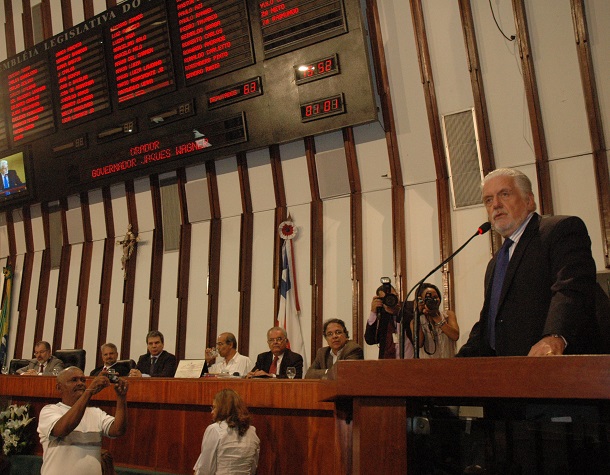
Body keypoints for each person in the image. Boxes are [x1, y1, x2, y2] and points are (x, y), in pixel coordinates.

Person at [457, 168, 600, 357]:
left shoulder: (559, 230)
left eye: (504, 194)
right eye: (488, 200)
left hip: (554, 363)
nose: (496, 205)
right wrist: (454, 364)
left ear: (529, 200)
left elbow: (572, 288)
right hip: (509, 367)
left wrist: (555, 336)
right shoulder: (496, 262)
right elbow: (490, 323)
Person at [37, 366, 128, 475]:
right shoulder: (50, 411)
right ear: (59, 387)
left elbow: (118, 430)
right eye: (74, 380)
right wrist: (89, 392)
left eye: (83, 380)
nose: (80, 383)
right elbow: (63, 429)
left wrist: (121, 398)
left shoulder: (96, 413)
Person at [193, 388, 260, 475]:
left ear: (223, 409)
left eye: (214, 407)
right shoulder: (252, 431)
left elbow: (205, 469)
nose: (212, 412)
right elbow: (253, 467)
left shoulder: (215, 429)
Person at [364, 285, 415, 359]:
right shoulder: (381, 315)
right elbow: (370, 340)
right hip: (386, 363)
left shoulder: (408, 309)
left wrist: (399, 312)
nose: (389, 300)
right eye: (385, 298)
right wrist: (373, 312)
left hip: (409, 362)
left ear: (397, 295)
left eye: (391, 296)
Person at [410, 283, 459, 358]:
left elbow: (455, 336)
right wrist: (417, 313)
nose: (433, 300)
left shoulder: (448, 315)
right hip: (428, 364)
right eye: (428, 298)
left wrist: (435, 317)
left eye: (435, 297)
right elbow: (419, 343)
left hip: (449, 362)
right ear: (421, 301)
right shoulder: (416, 321)